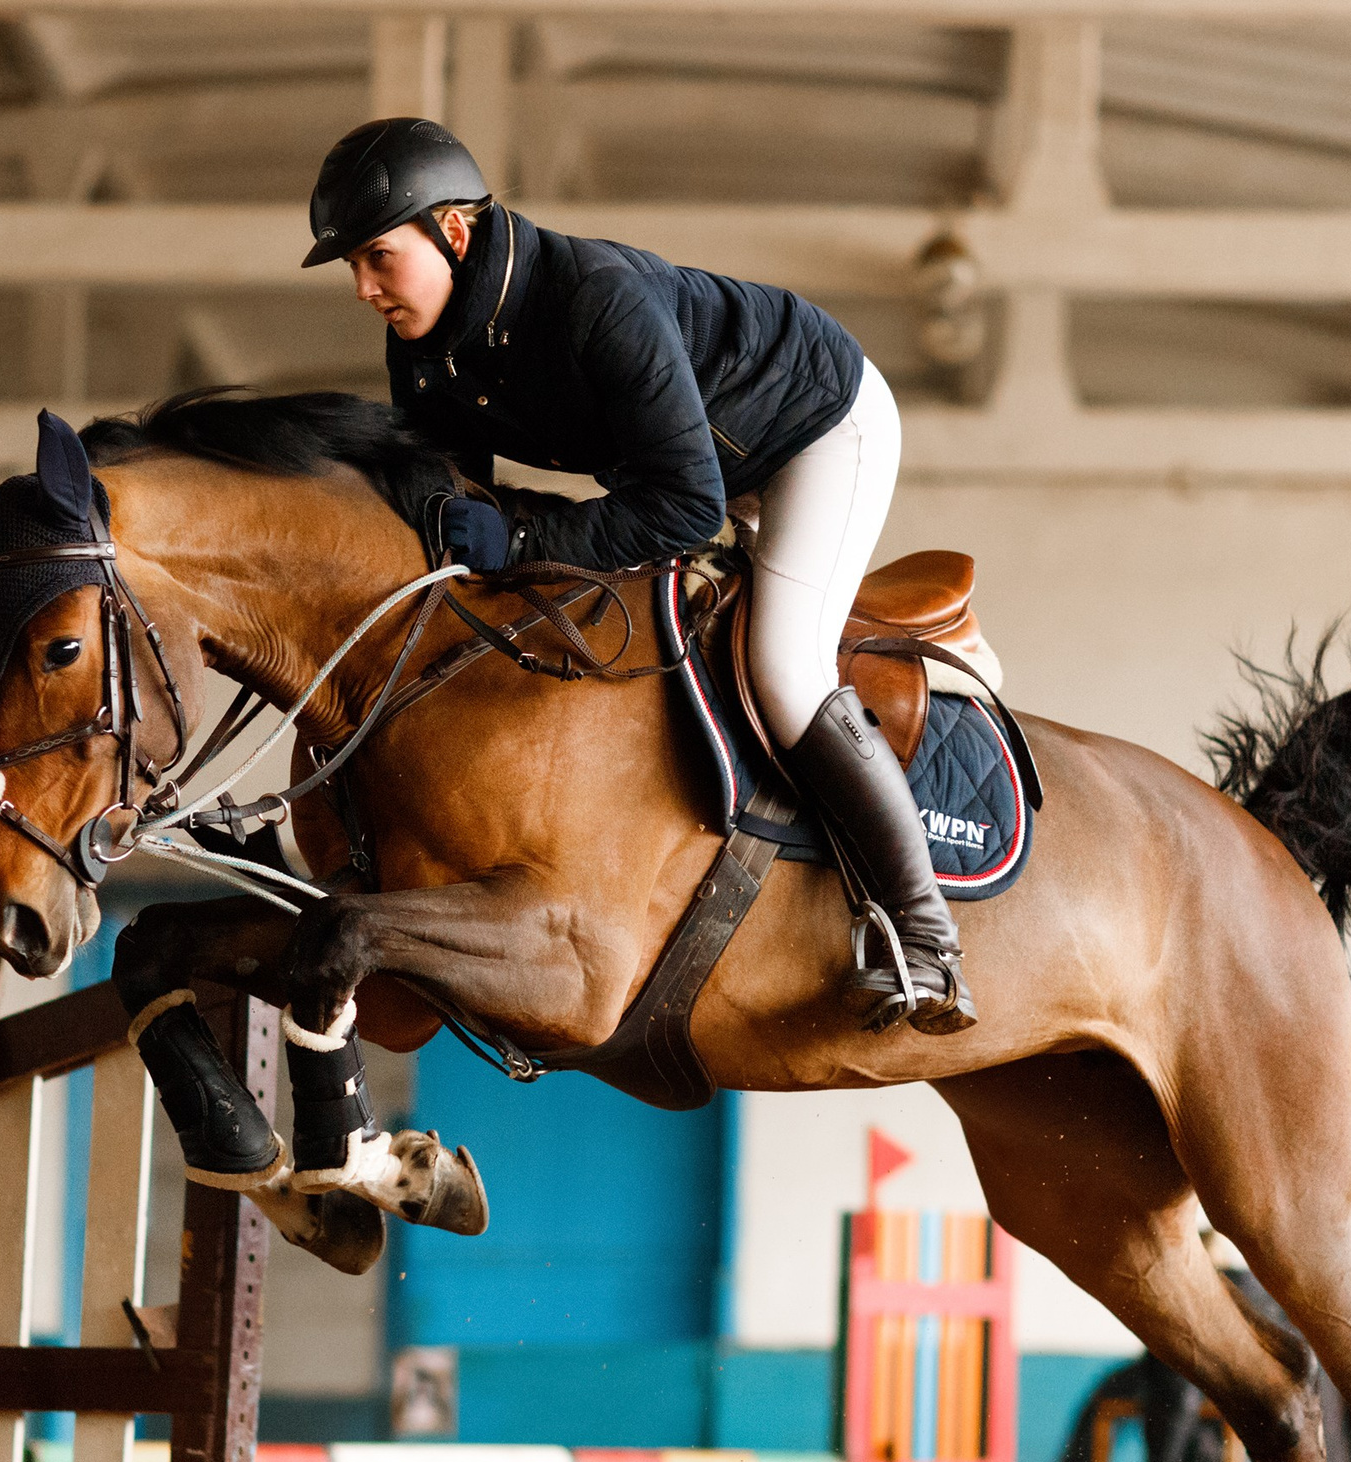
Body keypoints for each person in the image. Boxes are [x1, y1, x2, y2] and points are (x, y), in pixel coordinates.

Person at [302, 118, 973, 1033]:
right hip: (695, 462)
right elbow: (452, 517)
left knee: (783, 665)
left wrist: (524, 530)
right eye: (353, 265)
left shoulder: (593, 298)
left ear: (452, 231)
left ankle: (926, 937)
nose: (363, 288)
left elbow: (686, 509)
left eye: (378, 257)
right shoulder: (424, 347)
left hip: (814, 429)